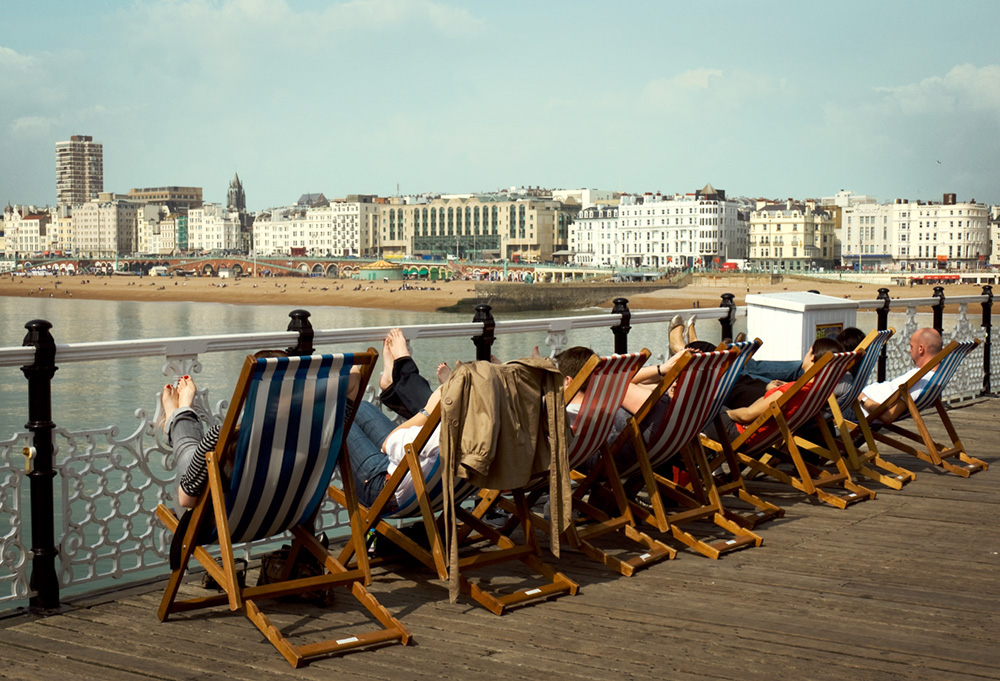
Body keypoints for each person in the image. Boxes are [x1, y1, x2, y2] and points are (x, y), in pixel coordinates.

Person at [706, 337, 845, 444]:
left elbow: (747, 415)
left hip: (741, 435)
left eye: (809, 351)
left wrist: (726, 413)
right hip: (766, 438)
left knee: (696, 408)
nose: (806, 354)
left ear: (813, 357)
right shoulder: (818, 390)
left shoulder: (792, 390)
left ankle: (705, 468)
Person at [858, 327, 942, 423]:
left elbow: (888, 416)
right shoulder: (932, 376)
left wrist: (861, 397)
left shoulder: (921, 379)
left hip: (857, 409)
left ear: (920, 349)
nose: (910, 351)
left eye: (911, 347)